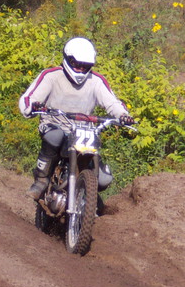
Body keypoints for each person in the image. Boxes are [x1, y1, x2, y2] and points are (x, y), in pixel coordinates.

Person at [19, 37, 134, 200]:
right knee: (55, 136)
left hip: (83, 130)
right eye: (76, 64)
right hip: (54, 123)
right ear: (67, 59)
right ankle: (42, 179)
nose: (80, 69)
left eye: (85, 66)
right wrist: (32, 106)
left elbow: (112, 103)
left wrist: (123, 116)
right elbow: (29, 98)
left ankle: (88, 196)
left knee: (104, 179)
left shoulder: (96, 81)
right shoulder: (51, 76)